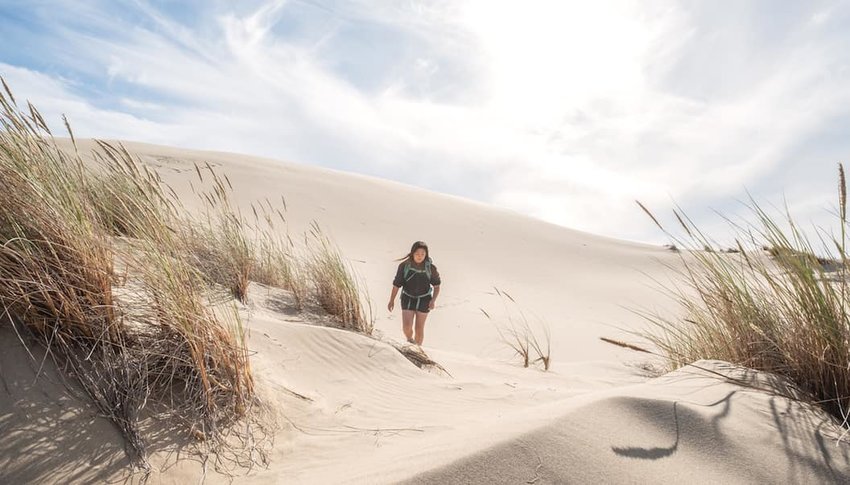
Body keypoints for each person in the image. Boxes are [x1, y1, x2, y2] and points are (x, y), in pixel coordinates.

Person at [388, 241, 441, 345]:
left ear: (426, 255)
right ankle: (410, 341)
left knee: (419, 328)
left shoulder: (430, 268)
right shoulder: (404, 266)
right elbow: (396, 284)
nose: (420, 256)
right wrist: (391, 300)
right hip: (407, 298)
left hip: (424, 299)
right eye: (417, 253)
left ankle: (417, 350)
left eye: (422, 254)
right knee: (406, 328)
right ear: (412, 253)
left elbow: (437, 286)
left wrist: (433, 300)